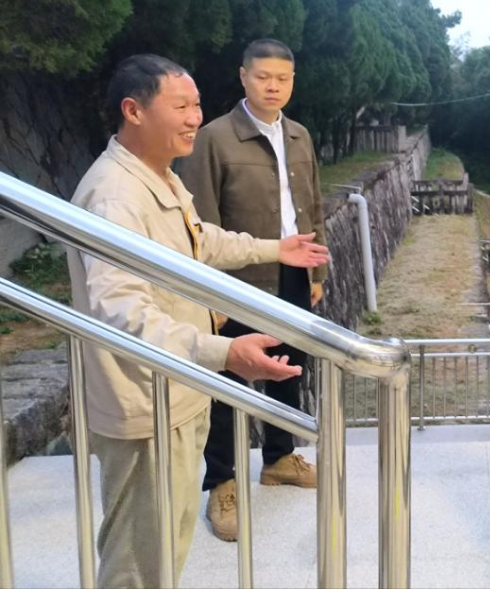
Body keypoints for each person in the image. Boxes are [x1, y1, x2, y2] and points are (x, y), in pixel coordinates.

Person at [67, 53, 330, 587]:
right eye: (181, 107)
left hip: (179, 387)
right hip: (145, 401)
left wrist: (274, 248)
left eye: (197, 105)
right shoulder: (115, 196)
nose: (194, 118)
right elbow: (121, 311)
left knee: (169, 540)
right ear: (134, 111)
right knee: (140, 555)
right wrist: (224, 351)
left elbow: (200, 239)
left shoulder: (157, 177)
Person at [179, 38, 327, 542]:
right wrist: (209, 293)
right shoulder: (214, 138)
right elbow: (199, 220)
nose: (272, 86)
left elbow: (313, 205)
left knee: (288, 369)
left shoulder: (300, 136)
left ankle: (279, 458)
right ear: (243, 77)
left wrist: (318, 274)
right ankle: (221, 482)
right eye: (262, 76)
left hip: (292, 273)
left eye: (282, 78)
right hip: (236, 281)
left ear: (293, 82)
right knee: (228, 382)